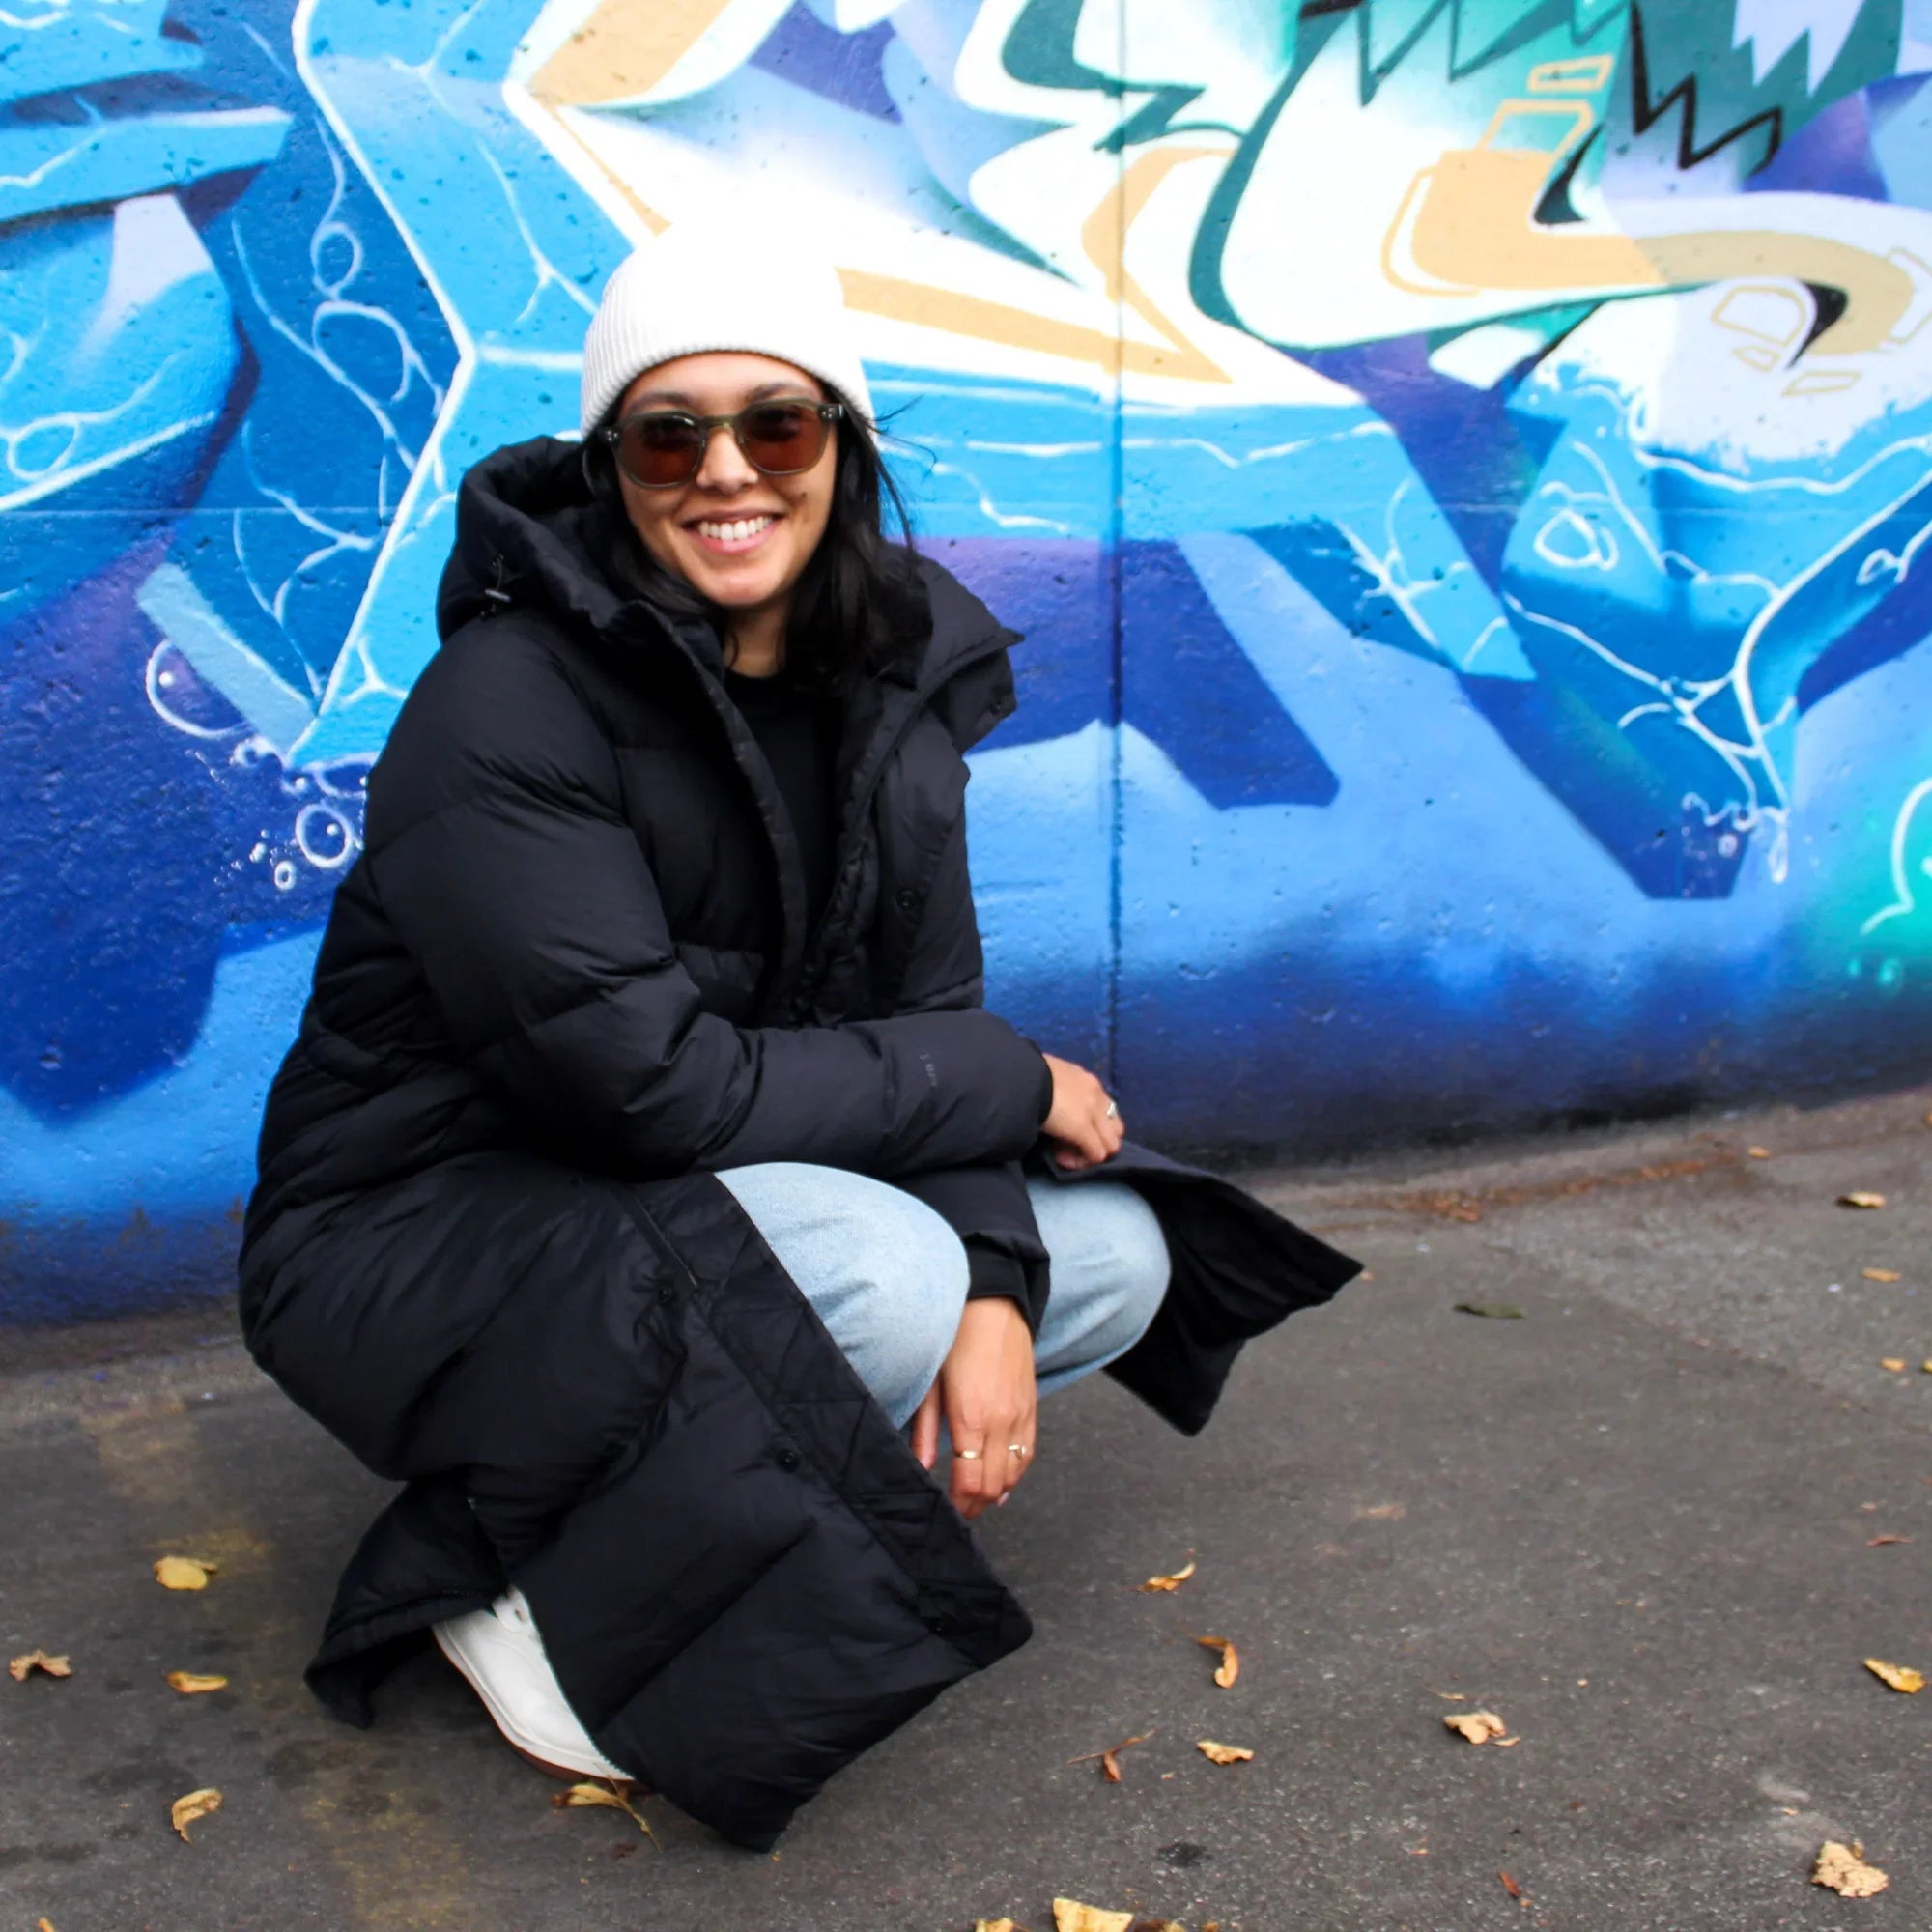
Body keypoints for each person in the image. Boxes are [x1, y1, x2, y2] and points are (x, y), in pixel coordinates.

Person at [238, 225, 1357, 1851]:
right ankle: (512, 1581)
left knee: (1108, 1252)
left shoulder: (889, 682)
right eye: (667, 432)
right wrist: (1004, 1103)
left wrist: (993, 1281)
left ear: (843, 443)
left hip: (662, 1193)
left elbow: (922, 1011)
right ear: (610, 465)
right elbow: (648, 1087)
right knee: (880, 1276)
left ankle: (718, 1496)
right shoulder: (508, 702)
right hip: (411, 1232)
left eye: (777, 423)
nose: (725, 472)